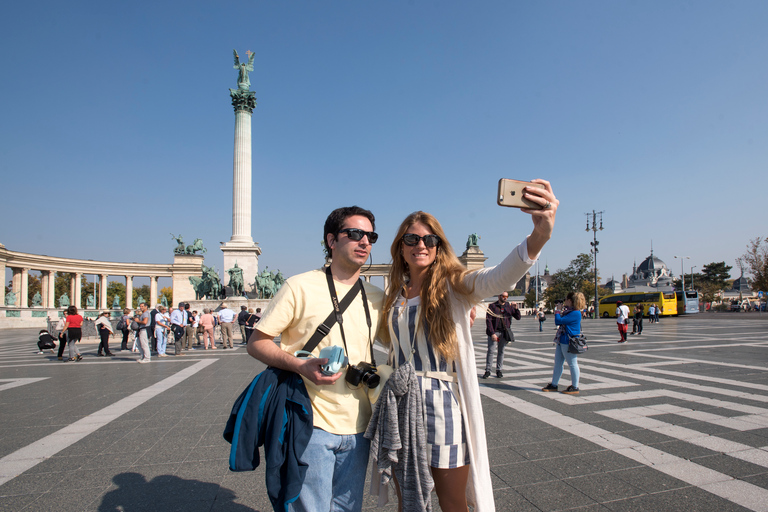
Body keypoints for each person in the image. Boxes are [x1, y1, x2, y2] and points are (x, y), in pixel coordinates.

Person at [380, 180, 558, 512]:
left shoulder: (454, 285)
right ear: (400, 247)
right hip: (401, 406)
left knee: (453, 502)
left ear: (438, 245)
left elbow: (497, 277)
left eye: (429, 239)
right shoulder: (392, 298)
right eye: (412, 238)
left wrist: (539, 237)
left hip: (442, 404)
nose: (421, 244)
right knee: (409, 502)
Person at [247, 206, 386, 512]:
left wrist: (453, 309)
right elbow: (257, 342)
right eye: (355, 234)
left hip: (360, 423)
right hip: (310, 420)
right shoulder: (299, 286)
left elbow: (408, 339)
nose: (364, 241)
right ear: (332, 240)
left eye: (370, 236)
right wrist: (299, 365)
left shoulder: (377, 297)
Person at [541, 291, 585, 395]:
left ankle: (575, 386)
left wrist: (558, 310)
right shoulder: (569, 312)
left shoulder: (575, 313)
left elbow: (558, 321)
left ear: (570, 301)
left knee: (572, 364)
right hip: (562, 340)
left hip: (569, 341)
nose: (564, 301)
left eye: (566, 300)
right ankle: (554, 384)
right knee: (558, 363)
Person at [482, 292, 521, 379]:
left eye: (506, 296)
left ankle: (499, 370)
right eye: (503, 296)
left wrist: (516, 309)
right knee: (491, 351)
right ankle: (488, 370)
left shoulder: (509, 307)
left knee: (501, 352)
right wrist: (492, 333)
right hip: (494, 332)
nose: (505, 298)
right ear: (499, 296)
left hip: (504, 332)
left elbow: (518, 317)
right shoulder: (492, 306)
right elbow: (488, 321)